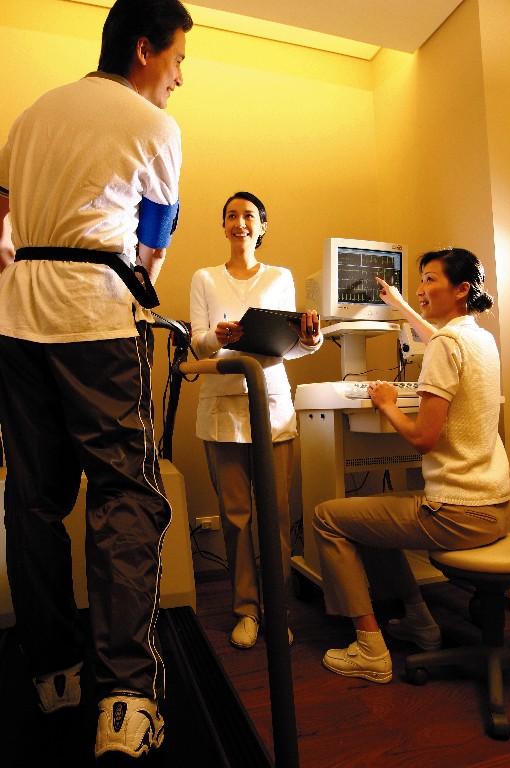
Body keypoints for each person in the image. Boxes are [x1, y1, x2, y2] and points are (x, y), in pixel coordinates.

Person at [0, 0, 193, 759]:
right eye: (177, 61)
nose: (179, 79)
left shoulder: (31, 115)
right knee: (125, 495)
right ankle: (126, 698)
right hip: (94, 318)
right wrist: (136, 281)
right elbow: (153, 244)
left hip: (17, 320)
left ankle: (53, 673)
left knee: (34, 499)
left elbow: (3, 223)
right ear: (145, 49)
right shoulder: (153, 124)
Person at [313, 247, 510, 685]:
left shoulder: (446, 346)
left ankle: (370, 649)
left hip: (457, 514)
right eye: (420, 280)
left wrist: (386, 403)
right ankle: (421, 622)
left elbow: (424, 439)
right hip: (496, 509)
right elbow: (437, 338)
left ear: (461, 290)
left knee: (328, 517)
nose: (421, 288)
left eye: (430, 280)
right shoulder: (478, 338)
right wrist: (401, 303)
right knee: (372, 511)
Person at [189, 191, 322, 649]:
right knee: (236, 517)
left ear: (262, 226)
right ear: (223, 226)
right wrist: (217, 336)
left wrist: (311, 339)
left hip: (271, 406)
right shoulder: (205, 278)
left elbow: (289, 347)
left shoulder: (280, 277)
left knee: (276, 514)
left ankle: (276, 608)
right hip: (222, 408)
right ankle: (245, 609)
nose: (239, 222)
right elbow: (198, 344)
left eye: (248, 215)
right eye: (231, 215)